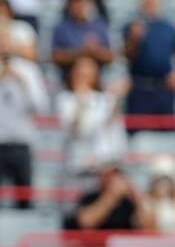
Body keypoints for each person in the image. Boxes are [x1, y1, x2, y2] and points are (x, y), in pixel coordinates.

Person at [123, 0, 175, 132]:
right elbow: (126, 56)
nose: (150, 2)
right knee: (137, 132)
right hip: (140, 88)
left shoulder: (169, 27)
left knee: (167, 133)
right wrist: (134, 39)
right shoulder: (133, 26)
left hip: (164, 89)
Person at [57, 56, 128, 184]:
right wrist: (81, 100)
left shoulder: (104, 99)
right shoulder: (65, 98)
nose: (85, 74)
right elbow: (75, 130)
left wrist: (117, 99)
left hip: (103, 163)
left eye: (89, 70)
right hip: (79, 164)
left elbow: (109, 125)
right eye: (81, 71)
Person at [0, 49, 41, 208]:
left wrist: (22, 83)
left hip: (21, 143)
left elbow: (39, 106)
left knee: (25, 198)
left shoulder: (29, 70)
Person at [63, 160, 147, 231]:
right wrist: (112, 195)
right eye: (108, 174)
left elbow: (145, 226)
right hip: (95, 245)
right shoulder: (90, 197)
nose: (112, 177)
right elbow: (85, 222)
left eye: (115, 173)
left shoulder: (127, 202)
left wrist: (135, 196)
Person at [51, 0, 113, 80]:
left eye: (84, 1)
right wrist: (80, 52)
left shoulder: (99, 26)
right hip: (69, 79)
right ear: (70, 5)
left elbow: (110, 57)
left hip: (95, 81)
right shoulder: (62, 28)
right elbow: (55, 57)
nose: (80, 6)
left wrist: (95, 51)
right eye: (76, 2)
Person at [143, 154, 175, 233]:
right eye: (160, 180)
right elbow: (148, 229)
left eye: (168, 180)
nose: (165, 185)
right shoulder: (147, 203)